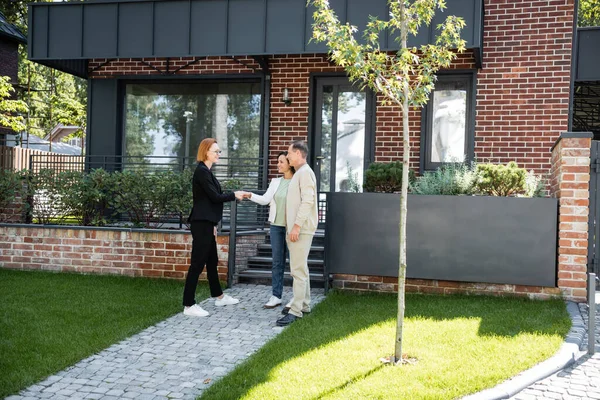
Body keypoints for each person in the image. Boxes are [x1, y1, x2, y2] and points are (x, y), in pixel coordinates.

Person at [183, 138, 248, 317]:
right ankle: (188, 305)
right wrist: (234, 195)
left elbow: (210, 199)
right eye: (216, 151)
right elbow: (215, 197)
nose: (219, 154)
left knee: (212, 261)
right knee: (197, 263)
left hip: (207, 223)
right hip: (201, 223)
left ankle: (219, 296)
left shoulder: (207, 172)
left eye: (219, 151)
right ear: (206, 152)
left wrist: (213, 224)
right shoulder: (202, 172)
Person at [276, 140, 318, 327]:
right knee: (302, 268)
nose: (287, 156)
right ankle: (305, 304)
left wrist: (296, 227)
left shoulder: (305, 173)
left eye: (289, 153)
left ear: (299, 154)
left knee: (297, 271)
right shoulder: (300, 173)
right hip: (296, 228)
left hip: (300, 230)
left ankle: (296, 311)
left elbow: (308, 201)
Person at [246, 152, 295, 309]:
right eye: (278, 162)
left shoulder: (298, 180)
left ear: (290, 163)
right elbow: (265, 200)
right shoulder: (275, 182)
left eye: (281, 162)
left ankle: (297, 297)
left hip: (292, 228)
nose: (278, 165)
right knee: (277, 262)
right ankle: (276, 295)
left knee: (295, 264)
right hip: (276, 226)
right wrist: (249, 195)